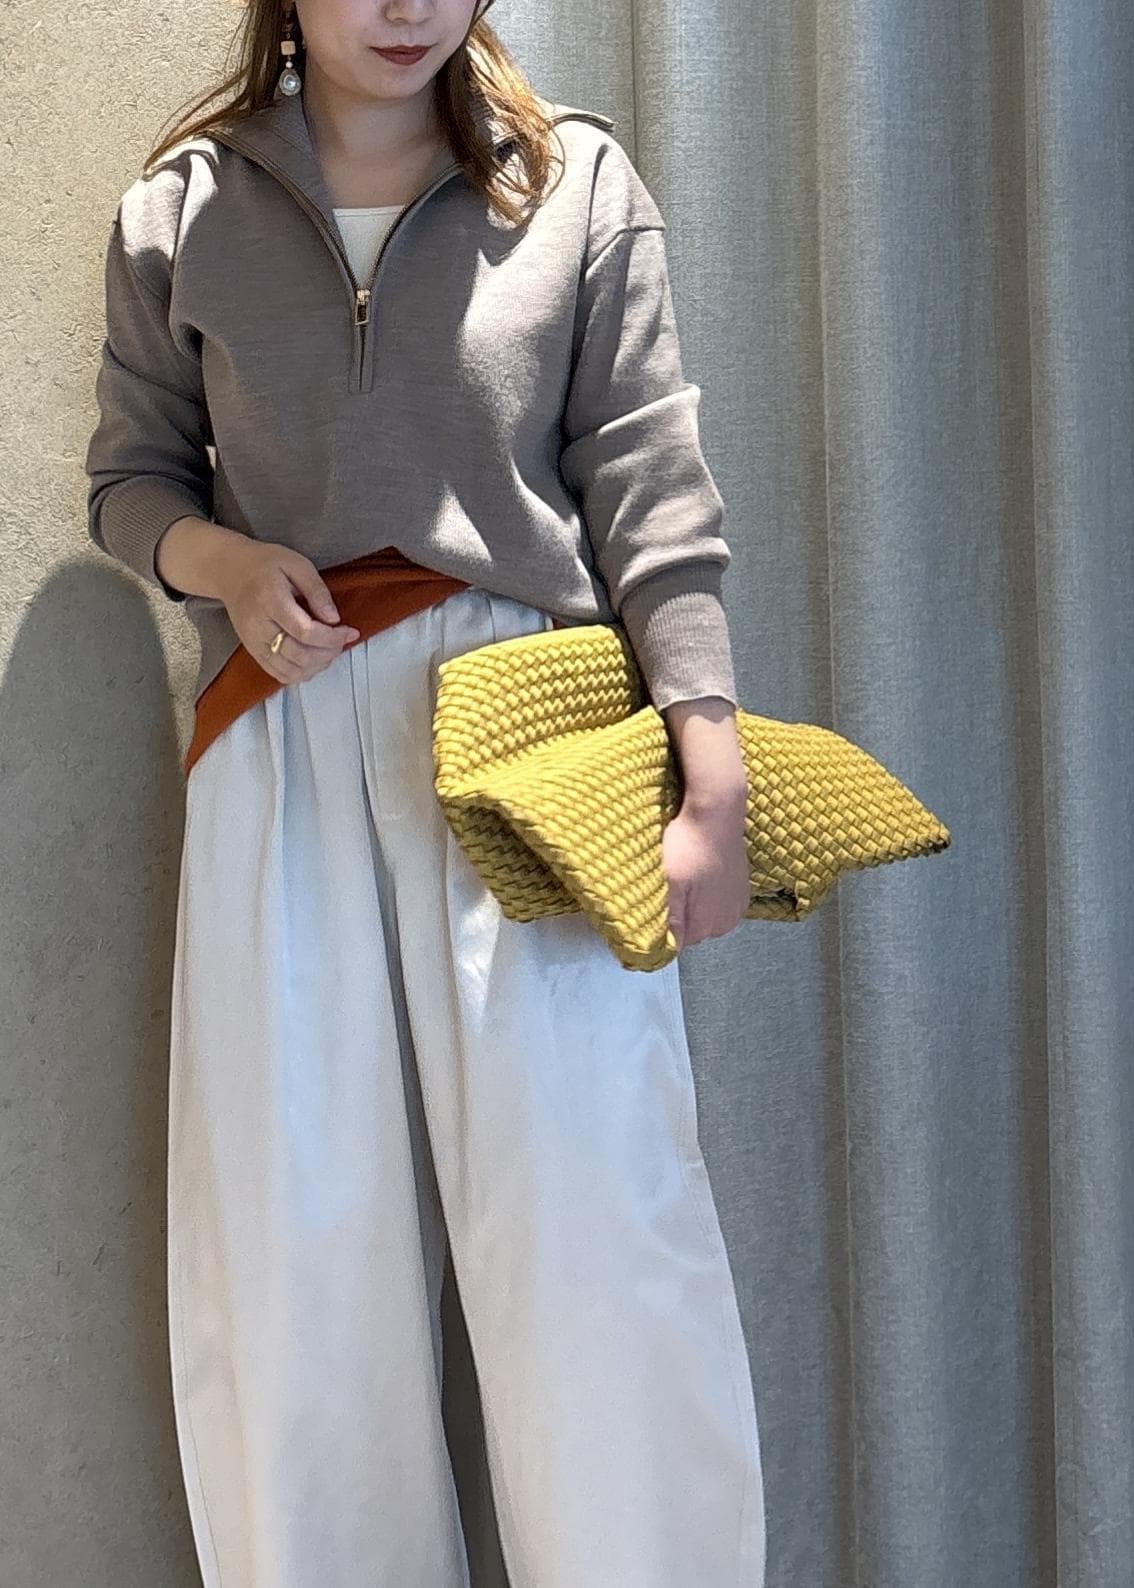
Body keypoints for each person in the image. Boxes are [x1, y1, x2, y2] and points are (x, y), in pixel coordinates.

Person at [84, 1, 767, 1582]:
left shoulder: (574, 183)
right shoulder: (179, 209)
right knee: (296, 1253)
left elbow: (651, 490)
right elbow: (130, 481)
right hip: (280, 740)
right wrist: (226, 564)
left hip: (532, 753)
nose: (405, 6)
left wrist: (711, 771)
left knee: (593, 1232)